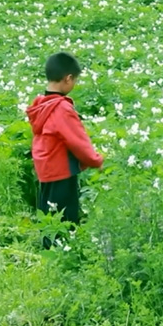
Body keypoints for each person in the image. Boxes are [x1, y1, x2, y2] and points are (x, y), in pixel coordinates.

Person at [26, 52, 104, 241]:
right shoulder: (61, 108)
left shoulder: (41, 105)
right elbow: (78, 141)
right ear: (68, 78)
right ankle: (63, 255)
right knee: (65, 218)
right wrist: (96, 160)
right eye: (75, 80)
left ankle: (48, 251)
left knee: (48, 215)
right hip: (61, 171)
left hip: (45, 171)